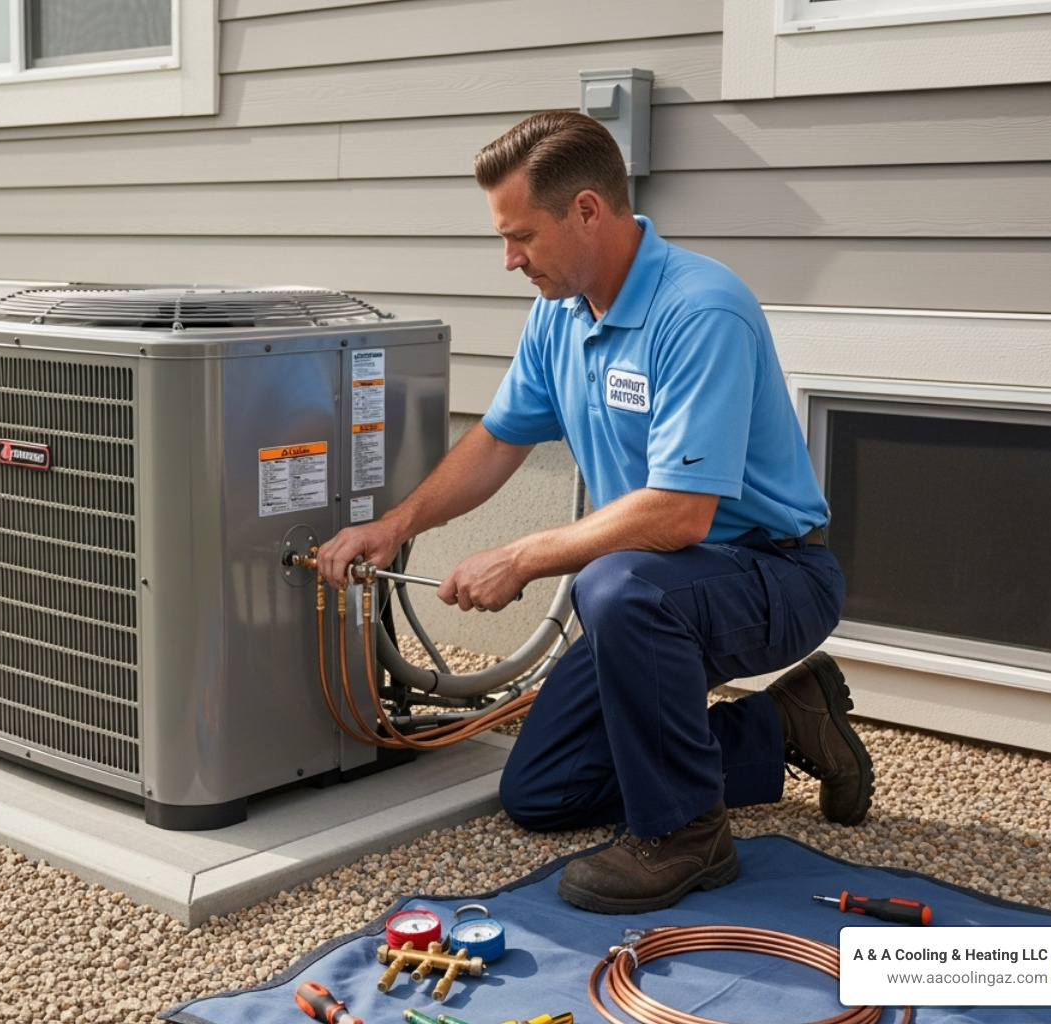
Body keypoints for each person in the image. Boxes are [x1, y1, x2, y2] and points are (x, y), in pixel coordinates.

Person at [317, 110, 874, 915]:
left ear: (587, 210)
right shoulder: (559, 312)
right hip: (657, 584)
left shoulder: (699, 309)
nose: (509, 260)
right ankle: (784, 728)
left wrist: (521, 556)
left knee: (610, 587)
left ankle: (685, 835)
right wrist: (394, 525)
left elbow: (681, 515)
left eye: (521, 237)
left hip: (773, 573)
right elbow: (499, 441)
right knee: (541, 789)